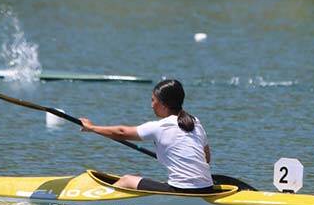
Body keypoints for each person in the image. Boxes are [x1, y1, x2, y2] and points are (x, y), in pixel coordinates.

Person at [79, 79, 215, 194]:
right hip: (207, 188)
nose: (151, 105)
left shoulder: (160, 126)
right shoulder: (195, 122)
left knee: (127, 180)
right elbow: (206, 159)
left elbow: (121, 132)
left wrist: (92, 128)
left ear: (163, 105)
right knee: (152, 182)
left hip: (183, 191)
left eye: (153, 100)